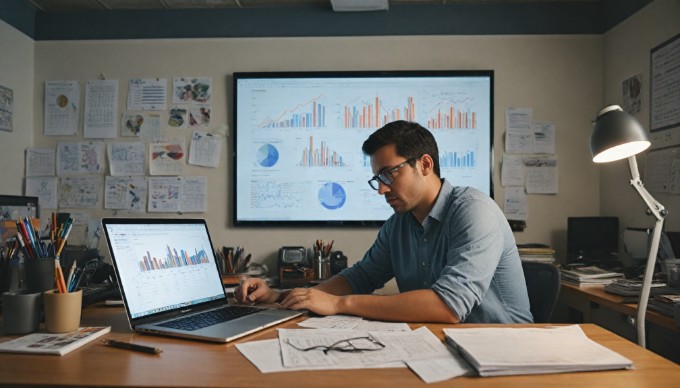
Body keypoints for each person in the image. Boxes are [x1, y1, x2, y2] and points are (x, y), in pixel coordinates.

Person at [236, 120, 532, 323]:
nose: (381, 189)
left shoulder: (474, 210)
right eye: (377, 179)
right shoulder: (399, 223)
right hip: (440, 344)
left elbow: (449, 306)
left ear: (425, 165)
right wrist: (280, 296)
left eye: (389, 174)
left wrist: (339, 304)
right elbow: (360, 278)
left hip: (502, 350)